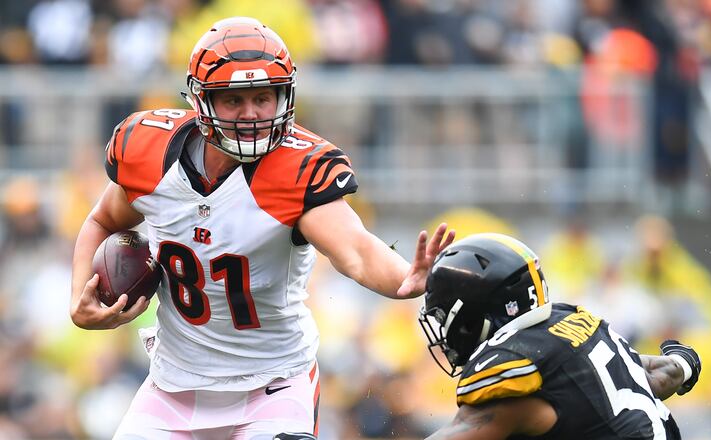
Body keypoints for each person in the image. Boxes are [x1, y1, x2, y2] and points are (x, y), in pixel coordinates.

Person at [69, 17, 455, 439]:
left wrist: (405, 277)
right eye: (234, 100)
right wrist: (79, 298)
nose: (251, 114)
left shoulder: (296, 172)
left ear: (283, 97)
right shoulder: (149, 154)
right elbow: (102, 220)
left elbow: (356, 251)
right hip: (172, 386)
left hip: (272, 386)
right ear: (202, 103)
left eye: (263, 97)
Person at [418, 233, 702, 440]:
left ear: (472, 317)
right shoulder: (575, 327)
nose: (445, 333)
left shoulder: (516, 377)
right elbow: (662, 373)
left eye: (445, 318)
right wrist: (686, 361)